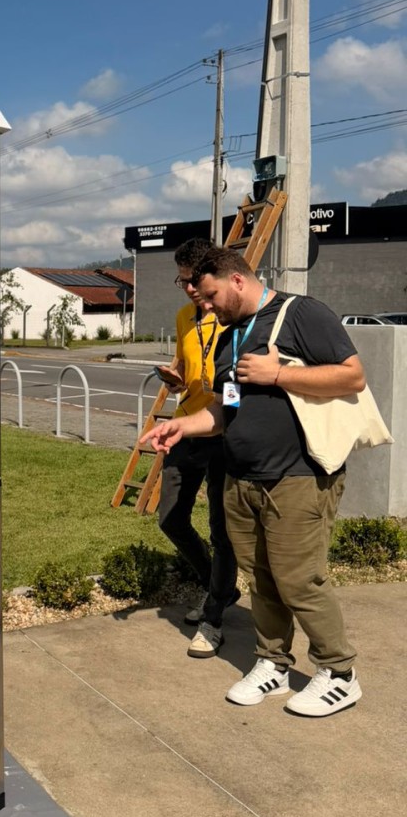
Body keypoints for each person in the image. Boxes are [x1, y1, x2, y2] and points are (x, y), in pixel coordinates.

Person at [143, 247, 365, 717]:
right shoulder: (229, 337)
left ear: (237, 280)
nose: (206, 306)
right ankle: (273, 662)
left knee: (299, 579)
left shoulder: (300, 313)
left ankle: (340, 673)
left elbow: (353, 377)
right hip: (242, 478)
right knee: (262, 579)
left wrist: (279, 373)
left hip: (298, 475)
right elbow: (228, 410)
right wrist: (182, 425)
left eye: (210, 296)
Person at [151, 238, 239, 658]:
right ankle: (217, 586)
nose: (187, 289)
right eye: (181, 281)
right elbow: (188, 370)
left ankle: (215, 614)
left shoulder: (230, 316)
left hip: (223, 432)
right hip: (188, 425)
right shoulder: (184, 316)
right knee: (170, 517)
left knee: (223, 531)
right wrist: (175, 377)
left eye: (191, 281)